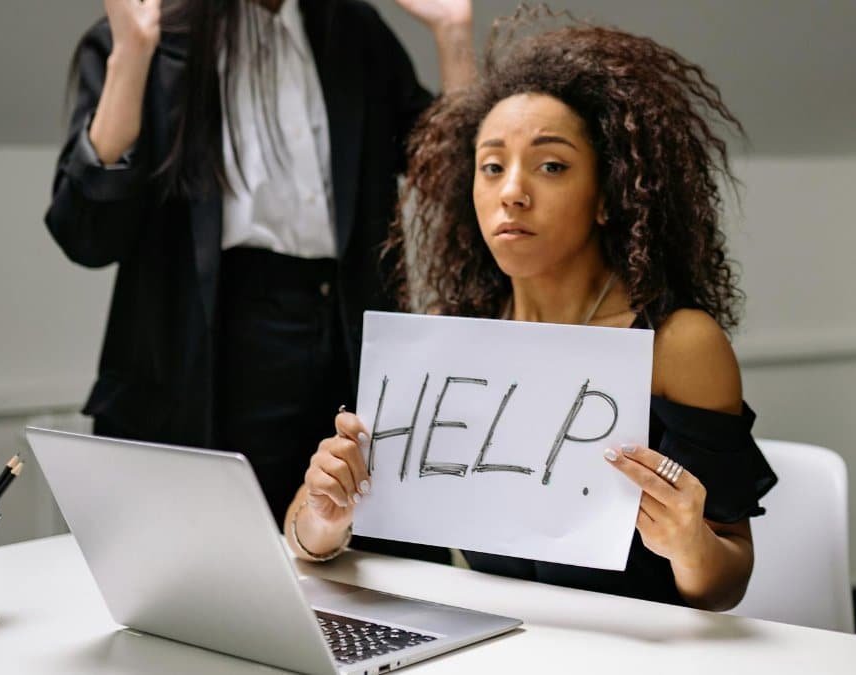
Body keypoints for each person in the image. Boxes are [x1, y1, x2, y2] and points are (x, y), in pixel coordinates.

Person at [283, 8, 777, 612]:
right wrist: (325, 517)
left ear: (607, 195)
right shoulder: (444, 338)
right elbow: (303, 537)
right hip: (494, 643)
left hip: (640, 648)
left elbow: (726, 584)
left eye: (551, 166)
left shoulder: (678, 344)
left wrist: (689, 544)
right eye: (491, 167)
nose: (512, 192)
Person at [45, 0, 474, 530]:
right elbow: (85, 235)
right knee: (215, 557)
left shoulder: (353, 31)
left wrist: (453, 32)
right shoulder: (157, 36)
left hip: (345, 341)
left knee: (354, 553)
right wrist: (132, 55)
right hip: (208, 352)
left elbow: (460, 182)